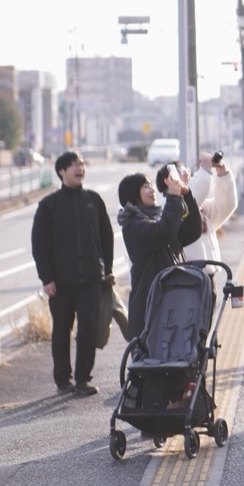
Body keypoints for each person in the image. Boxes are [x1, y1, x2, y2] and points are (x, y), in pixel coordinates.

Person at [30, 151, 114, 396]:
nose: (80, 169)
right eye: (75, 165)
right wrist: (46, 278)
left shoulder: (94, 200)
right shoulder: (49, 205)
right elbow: (39, 245)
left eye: (82, 164)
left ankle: (83, 379)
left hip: (91, 279)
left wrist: (107, 270)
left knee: (88, 327)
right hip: (61, 282)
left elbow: (107, 238)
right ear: (61, 171)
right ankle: (62, 380)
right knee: (61, 330)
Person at [117, 167, 195, 340]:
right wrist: (173, 197)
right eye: (146, 186)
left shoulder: (157, 218)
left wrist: (185, 194)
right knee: (152, 353)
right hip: (149, 305)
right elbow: (165, 231)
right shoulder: (133, 225)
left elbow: (192, 232)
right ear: (133, 194)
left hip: (169, 298)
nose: (152, 190)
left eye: (151, 185)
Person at [185, 151, 237, 265]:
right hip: (189, 272)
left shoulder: (201, 208)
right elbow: (186, 200)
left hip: (210, 271)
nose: (186, 173)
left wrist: (223, 175)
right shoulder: (170, 208)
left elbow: (225, 206)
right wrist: (204, 172)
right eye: (180, 171)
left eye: (186, 170)